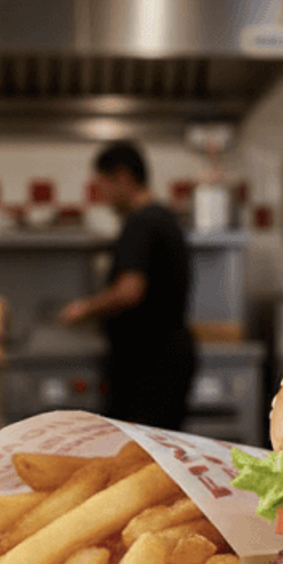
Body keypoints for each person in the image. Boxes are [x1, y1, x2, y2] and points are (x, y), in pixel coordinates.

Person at [60, 141, 196, 430]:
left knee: (141, 457)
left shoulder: (141, 224)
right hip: (167, 360)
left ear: (122, 177)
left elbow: (129, 291)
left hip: (148, 366)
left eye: (103, 185)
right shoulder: (163, 218)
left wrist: (83, 309)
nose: (103, 197)